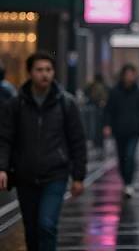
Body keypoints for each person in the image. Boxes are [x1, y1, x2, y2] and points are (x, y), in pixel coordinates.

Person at [0, 51, 87, 251]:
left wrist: (78, 176)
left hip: (55, 175)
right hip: (25, 176)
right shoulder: (16, 104)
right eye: (39, 70)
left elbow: (77, 141)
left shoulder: (66, 103)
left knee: (46, 225)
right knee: (31, 229)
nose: (44, 74)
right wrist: (2, 167)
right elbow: (5, 138)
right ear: (30, 73)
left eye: (48, 70)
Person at [104, 64, 139, 198]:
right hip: (119, 130)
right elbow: (109, 110)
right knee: (122, 158)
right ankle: (125, 180)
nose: (129, 77)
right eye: (127, 74)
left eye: (132, 74)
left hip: (134, 130)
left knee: (130, 156)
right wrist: (107, 125)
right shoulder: (115, 92)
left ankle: (129, 183)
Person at [84, 73, 110, 153]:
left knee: (95, 126)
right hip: (100, 109)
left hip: (96, 108)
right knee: (98, 127)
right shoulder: (103, 86)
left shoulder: (95, 86)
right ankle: (99, 143)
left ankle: (97, 143)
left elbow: (87, 91)